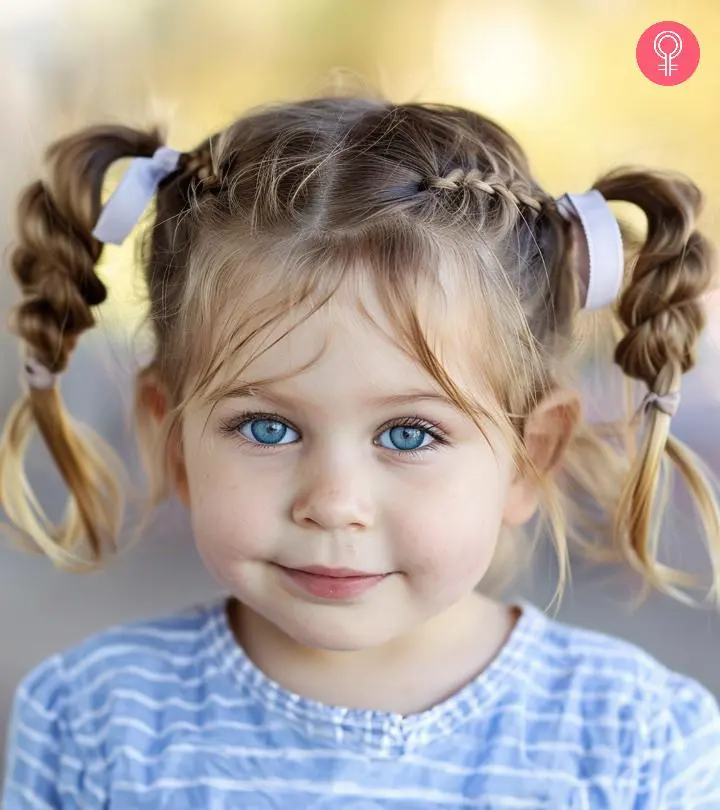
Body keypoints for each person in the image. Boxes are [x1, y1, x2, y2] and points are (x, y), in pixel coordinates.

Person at [1, 96, 719, 809]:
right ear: (172, 439)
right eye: (267, 428)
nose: (334, 503)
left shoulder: (637, 743)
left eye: (409, 434)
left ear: (529, 455)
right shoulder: (91, 721)